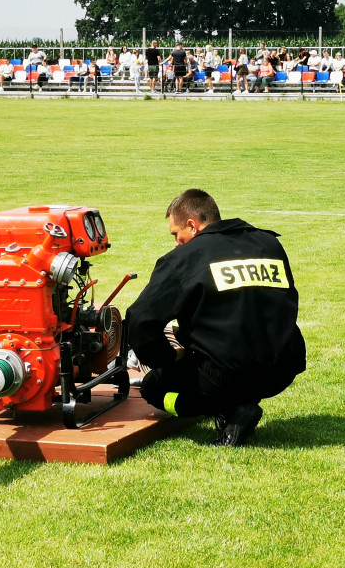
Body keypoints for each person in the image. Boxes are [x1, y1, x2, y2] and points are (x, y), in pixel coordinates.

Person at [126, 189, 307, 447]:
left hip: (226, 373)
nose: (176, 243)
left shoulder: (185, 258)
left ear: (192, 225)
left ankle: (228, 410)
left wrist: (166, 358)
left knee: (153, 390)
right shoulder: (269, 244)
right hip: (282, 367)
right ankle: (239, 403)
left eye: (176, 235)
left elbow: (140, 321)